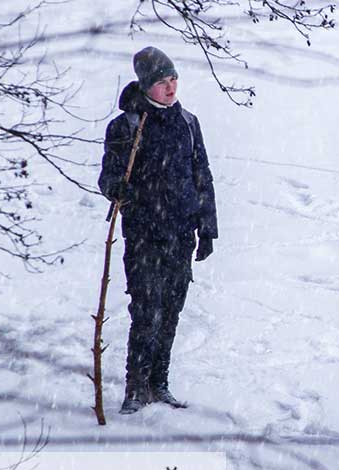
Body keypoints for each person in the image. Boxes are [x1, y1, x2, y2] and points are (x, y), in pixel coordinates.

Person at [98, 46, 218, 415]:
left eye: (173, 80)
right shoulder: (126, 126)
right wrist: (121, 189)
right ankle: (135, 387)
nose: (170, 88)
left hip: (181, 234)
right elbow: (108, 178)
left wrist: (207, 226)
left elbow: (202, 175)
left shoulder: (188, 123)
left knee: (171, 310)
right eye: (162, 82)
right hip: (145, 235)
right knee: (146, 311)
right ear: (145, 86)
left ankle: (158, 382)